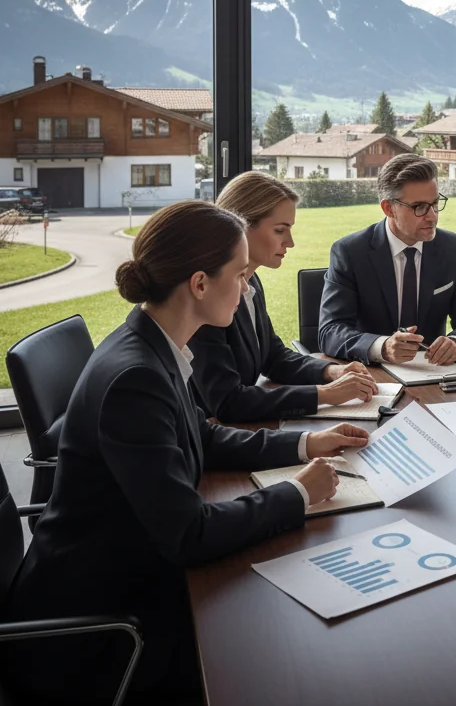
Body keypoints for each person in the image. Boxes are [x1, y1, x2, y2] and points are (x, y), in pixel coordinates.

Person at [1, 201, 370, 703]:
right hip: (102, 620)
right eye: (240, 275)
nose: (247, 288)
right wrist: (296, 494)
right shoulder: (136, 377)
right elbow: (189, 534)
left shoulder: (153, 345)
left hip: (127, 569)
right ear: (199, 284)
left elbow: (205, 435)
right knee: (273, 656)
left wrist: (305, 441)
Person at [189, 171, 377, 422]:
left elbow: (273, 356)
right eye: (280, 230)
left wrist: (331, 371)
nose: (290, 242)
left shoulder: (250, 280)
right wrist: (324, 394)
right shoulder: (208, 296)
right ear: (240, 226)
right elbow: (227, 402)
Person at [319, 153, 456, 365]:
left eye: (435, 203)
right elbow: (330, 331)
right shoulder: (350, 252)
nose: (433, 216)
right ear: (388, 208)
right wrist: (382, 347)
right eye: (419, 207)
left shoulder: (452, 248)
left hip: (435, 375)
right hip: (372, 378)